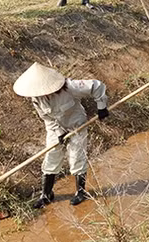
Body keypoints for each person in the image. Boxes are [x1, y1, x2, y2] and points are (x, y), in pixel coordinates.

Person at [13, 63, 109, 208]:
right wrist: (59, 133)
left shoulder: (70, 87)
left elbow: (97, 86)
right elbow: (47, 118)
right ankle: (46, 195)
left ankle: (80, 192)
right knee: (51, 156)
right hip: (55, 129)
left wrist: (102, 107)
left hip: (77, 125)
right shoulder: (36, 99)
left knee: (77, 157)